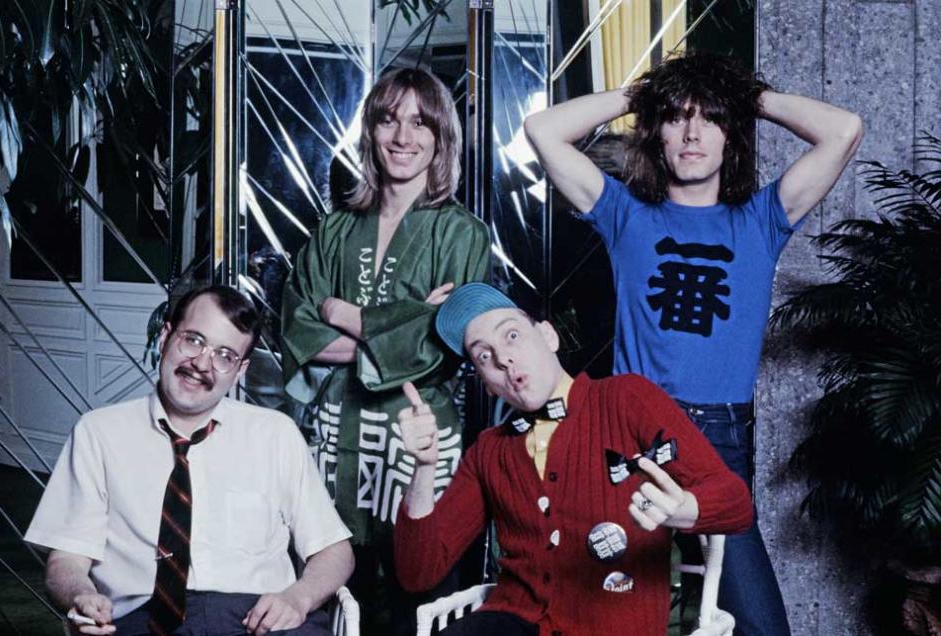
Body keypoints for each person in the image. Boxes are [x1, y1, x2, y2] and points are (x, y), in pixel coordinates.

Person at [522, 51, 864, 635]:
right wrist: (645, 94)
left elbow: (845, 130)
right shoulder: (624, 215)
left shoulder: (761, 220)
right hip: (628, 434)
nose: (692, 131)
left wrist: (741, 96)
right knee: (608, 614)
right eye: (677, 117)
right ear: (657, 133)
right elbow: (542, 129)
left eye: (709, 118)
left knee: (759, 624)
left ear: (730, 136)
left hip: (717, 438)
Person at [392, 282, 754, 635]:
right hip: (511, 619)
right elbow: (418, 573)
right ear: (486, 382)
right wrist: (424, 469)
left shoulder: (626, 398)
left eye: (512, 335)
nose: (503, 358)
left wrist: (682, 509)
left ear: (549, 336)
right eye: (483, 356)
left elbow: (736, 503)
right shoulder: (490, 450)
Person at [280, 67, 491, 634]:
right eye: (388, 119)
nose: (403, 136)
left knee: (418, 586)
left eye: (421, 122)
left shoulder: (462, 233)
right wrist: (400, 323)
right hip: (337, 433)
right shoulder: (335, 227)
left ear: (442, 137)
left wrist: (343, 313)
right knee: (332, 583)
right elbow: (295, 324)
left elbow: (444, 342)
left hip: (417, 437)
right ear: (370, 131)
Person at [25, 286, 354, 636]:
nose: (201, 364)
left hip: (259, 620)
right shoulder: (98, 432)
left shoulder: (276, 434)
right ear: (166, 336)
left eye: (224, 355)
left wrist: (298, 598)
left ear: (240, 370)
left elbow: (335, 551)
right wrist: (82, 595)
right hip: (141, 619)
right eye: (193, 340)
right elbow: (66, 560)